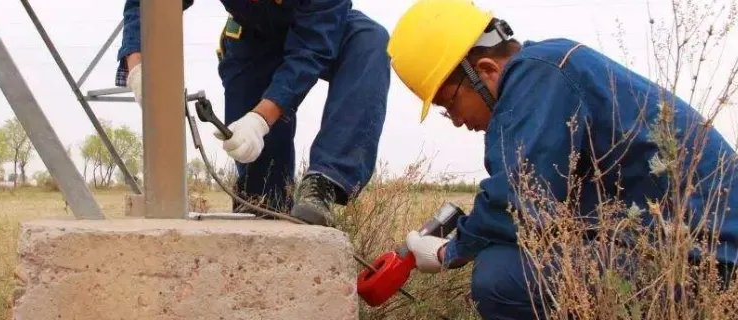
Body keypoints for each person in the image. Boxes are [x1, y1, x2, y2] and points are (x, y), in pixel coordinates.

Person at [390, 0, 738, 319]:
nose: (457, 120)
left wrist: (447, 253)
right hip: (693, 252)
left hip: (706, 265)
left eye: (449, 103)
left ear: (485, 70)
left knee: (500, 277)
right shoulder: (552, 66)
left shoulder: (537, 76)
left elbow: (515, 201)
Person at [115, 0, 390, 226]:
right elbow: (147, 4)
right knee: (264, 200)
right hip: (251, 41)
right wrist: (138, 67)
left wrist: (259, 120)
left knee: (369, 42)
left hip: (321, 28)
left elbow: (311, 51)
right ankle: (264, 209)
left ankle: (325, 182)